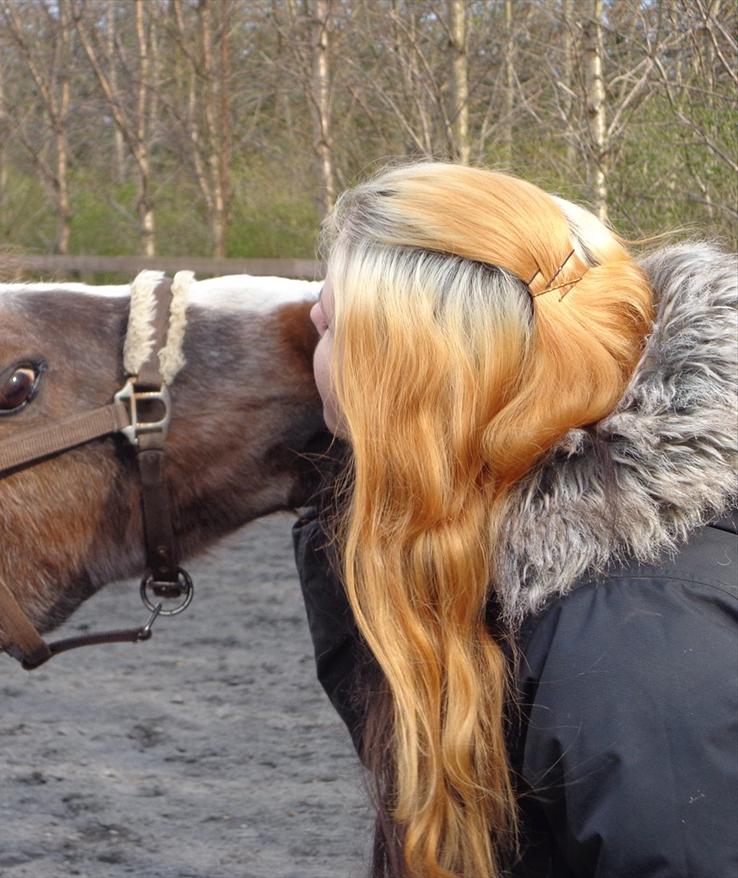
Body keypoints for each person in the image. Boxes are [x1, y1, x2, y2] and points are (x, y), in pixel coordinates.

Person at [294, 162, 737, 878]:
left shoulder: (631, 639)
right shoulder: (509, 568)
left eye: (331, 324)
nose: (309, 334)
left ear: (410, 389)